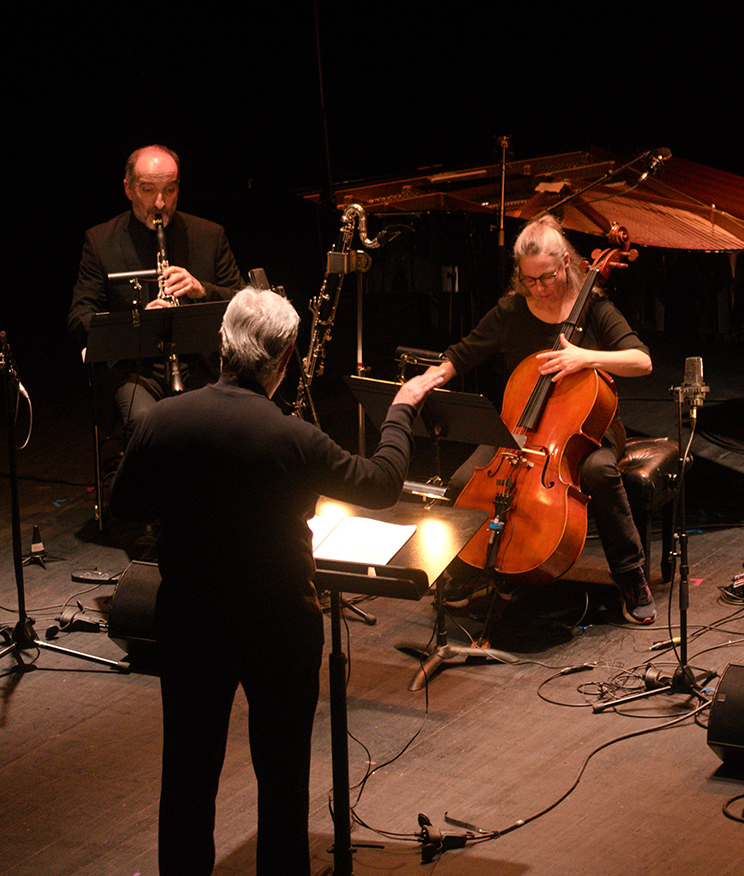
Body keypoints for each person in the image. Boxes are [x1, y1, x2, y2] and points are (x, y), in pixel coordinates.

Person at [109, 288, 442, 876]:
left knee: (187, 777)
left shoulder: (162, 419)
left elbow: (124, 507)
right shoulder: (292, 437)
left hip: (190, 621)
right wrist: (401, 409)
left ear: (221, 346)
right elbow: (382, 483)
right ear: (284, 359)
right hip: (277, 626)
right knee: (282, 779)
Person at [423, 215, 657, 624]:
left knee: (601, 472)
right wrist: (427, 380)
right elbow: (461, 354)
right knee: (463, 481)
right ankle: (472, 571)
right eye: (529, 280)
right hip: (522, 427)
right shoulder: (512, 311)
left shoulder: (596, 309)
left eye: (546, 278)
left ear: (566, 263)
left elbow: (641, 361)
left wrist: (585, 357)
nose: (539, 288)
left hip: (587, 429)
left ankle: (630, 575)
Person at [68, 144, 245, 432]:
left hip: (201, 366)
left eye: (170, 190)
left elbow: (244, 304)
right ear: (128, 189)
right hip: (135, 372)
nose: (160, 203)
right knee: (148, 422)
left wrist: (203, 290)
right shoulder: (100, 241)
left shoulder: (209, 235)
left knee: (224, 419)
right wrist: (137, 323)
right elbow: (79, 318)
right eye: (148, 190)